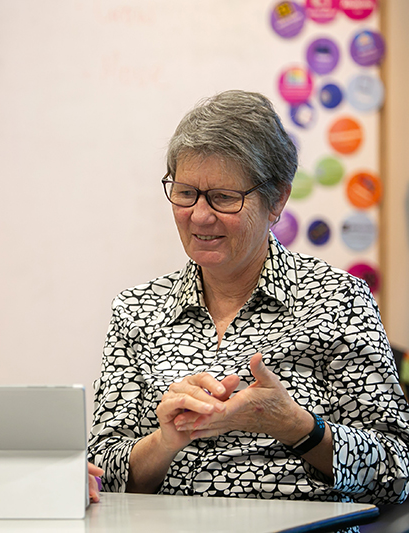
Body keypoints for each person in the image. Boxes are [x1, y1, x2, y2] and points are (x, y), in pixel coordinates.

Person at [88, 90, 409, 505]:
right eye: (186, 193)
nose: (200, 216)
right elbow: (101, 478)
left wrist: (294, 424)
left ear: (277, 199)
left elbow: (398, 472)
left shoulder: (337, 298)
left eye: (224, 198)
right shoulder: (137, 310)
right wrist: (165, 441)